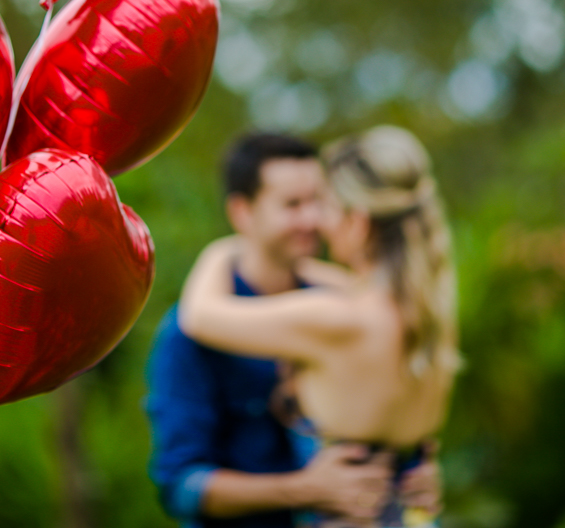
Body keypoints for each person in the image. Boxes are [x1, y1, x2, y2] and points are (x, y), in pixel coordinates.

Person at [145, 133, 440, 528]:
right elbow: (181, 487)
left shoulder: (343, 307)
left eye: (319, 201)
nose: (312, 219)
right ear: (242, 212)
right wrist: (302, 488)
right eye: (292, 205)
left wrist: (414, 477)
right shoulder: (187, 337)